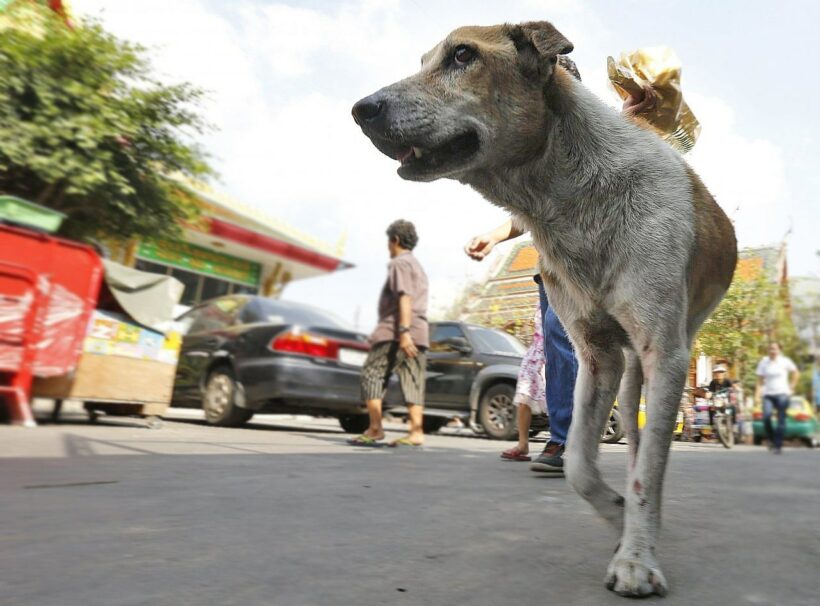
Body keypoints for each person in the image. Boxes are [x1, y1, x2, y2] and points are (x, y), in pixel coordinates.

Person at [465, 219, 577, 474]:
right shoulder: (539, 180)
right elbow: (527, 210)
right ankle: (557, 439)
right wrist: (493, 236)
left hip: (576, 259)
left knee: (558, 334)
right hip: (547, 268)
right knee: (555, 346)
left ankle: (565, 441)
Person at [349, 220, 429, 448]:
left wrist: (403, 332)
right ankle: (416, 433)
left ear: (394, 240)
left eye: (388, 242)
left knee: (372, 374)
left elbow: (404, 296)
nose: (388, 247)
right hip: (420, 330)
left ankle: (375, 429)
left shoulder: (399, 263)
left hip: (395, 331)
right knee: (413, 378)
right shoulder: (418, 267)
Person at [500, 305, 546, 461]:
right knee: (524, 395)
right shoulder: (541, 296)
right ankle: (522, 444)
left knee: (558, 398)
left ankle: (561, 446)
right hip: (535, 353)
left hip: (553, 351)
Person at [755, 342, 799, 454]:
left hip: (782, 394)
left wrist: (792, 386)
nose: (772, 351)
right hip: (768, 394)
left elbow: (796, 373)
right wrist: (757, 395)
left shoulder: (785, 361)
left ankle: (777, 445)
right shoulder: (764, 362)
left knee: (781, 419)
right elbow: (759, 381)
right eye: (770, 349)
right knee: (766, 418)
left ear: (779, 350)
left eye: (774, 349)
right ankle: (771, 438)